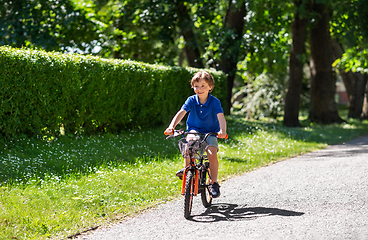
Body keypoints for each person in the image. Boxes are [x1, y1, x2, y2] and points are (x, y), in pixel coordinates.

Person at [165, 70, 227, 198]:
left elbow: (220, 116)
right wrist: (172, 126)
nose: (199, 89)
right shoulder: (191, 100)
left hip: (211, 132)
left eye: (203, 86)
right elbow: (181, 112)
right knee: (189, 144)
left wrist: (222, 131)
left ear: (210, 87)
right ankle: (188, 169)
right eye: (196, 86)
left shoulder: (214, 102)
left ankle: (213, 182)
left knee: (211, 152)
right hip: (194, 129)